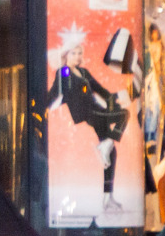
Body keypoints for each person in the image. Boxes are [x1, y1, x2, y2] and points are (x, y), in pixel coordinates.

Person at [49, 40, 133, 214]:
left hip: (97, 111)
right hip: (87, 114)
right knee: (124, 115)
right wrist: (41, 106)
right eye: (74, 53)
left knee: (112, 153)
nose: (78, 56)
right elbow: (56, 93)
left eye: (80, 53)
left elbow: (101, 90)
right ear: (65, 55)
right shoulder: (64, 72)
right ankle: (107, 144)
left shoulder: (84, 72)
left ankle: (107, 197)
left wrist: (114, 101)